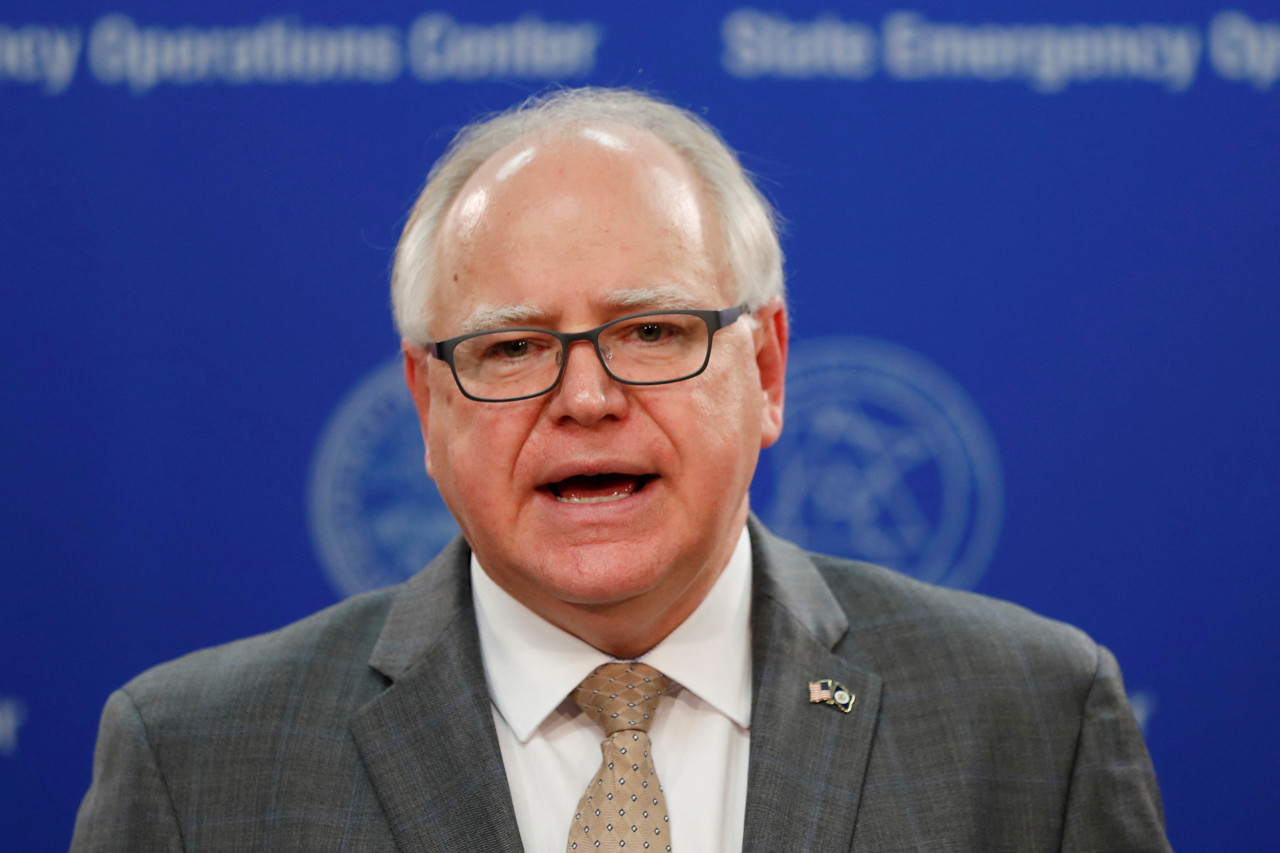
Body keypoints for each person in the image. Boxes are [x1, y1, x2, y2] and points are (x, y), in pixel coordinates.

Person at [72, 87, 1171, 852]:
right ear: (425, 401)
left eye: (650, 332)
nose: (585, 398)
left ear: (769, 367)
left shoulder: (1029, 719)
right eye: (510, 348)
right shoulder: (194, 758)